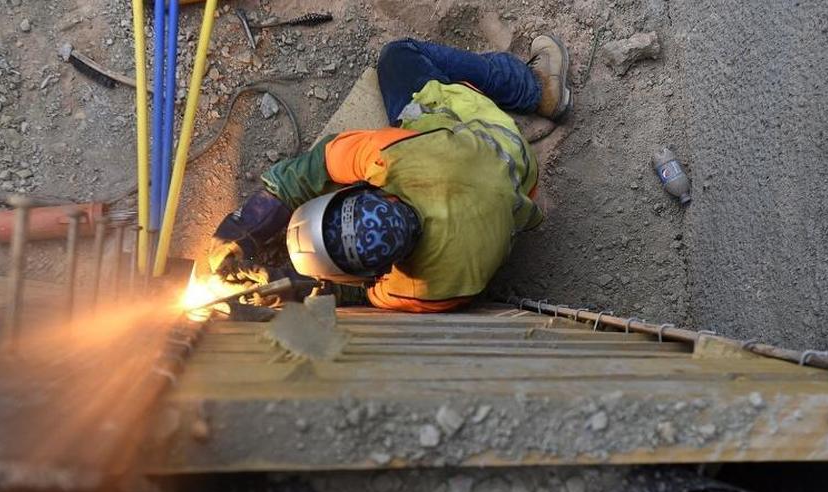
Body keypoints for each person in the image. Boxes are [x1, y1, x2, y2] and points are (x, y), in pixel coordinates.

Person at [210, 36, 572, 312]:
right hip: (505, 151)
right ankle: (535, 88)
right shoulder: (393, 158)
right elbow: (323, 163)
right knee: (398, 57)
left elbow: (354, 292)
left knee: (401, 62)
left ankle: (535, 88)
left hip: (513, 188)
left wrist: (287, 278)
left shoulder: (420, 288)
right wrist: (251, 226)